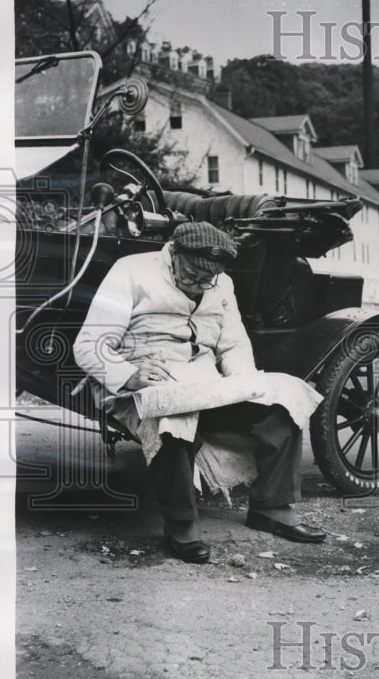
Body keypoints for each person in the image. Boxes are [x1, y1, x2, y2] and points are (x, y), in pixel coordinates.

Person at [73, 221, 325, 564]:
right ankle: (181, 525)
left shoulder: (222, 284)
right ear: (173, 253)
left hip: (207, 384)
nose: (200, 285)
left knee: (282, 404)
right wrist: (131, 375)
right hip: (144, 382)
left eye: (210, 278)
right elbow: (90, 345)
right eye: (192, 274)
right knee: (174, 420)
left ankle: (272, 507)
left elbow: (233, 345)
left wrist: (244, 386)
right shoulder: (131, 271)